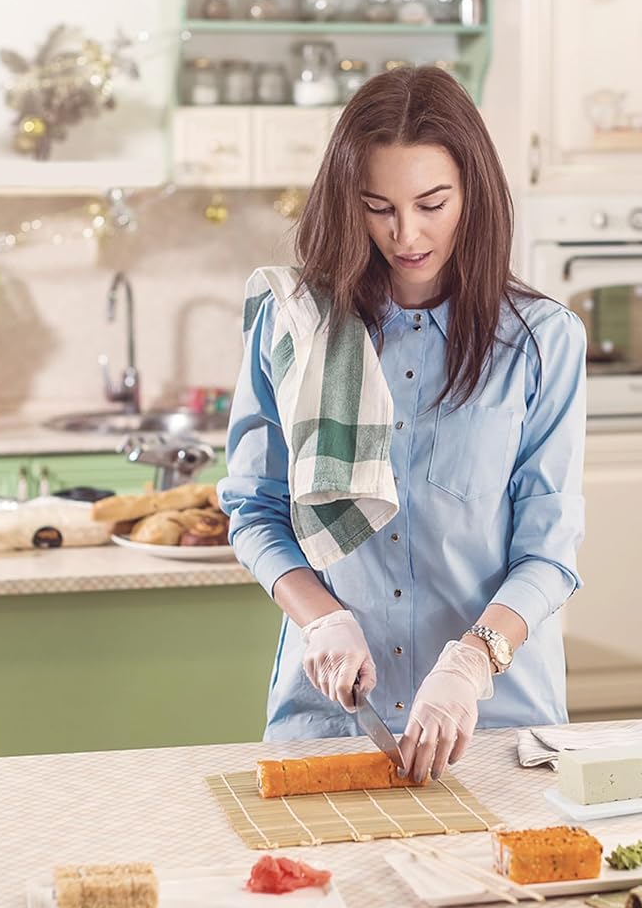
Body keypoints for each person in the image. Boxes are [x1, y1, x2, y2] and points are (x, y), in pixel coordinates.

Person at [219, 65, 586, 783]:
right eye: (377, 206)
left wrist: (474, 657)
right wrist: (320, 617)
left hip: (494, 721)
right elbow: (254, 511)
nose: (406, 233)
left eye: (432, 203)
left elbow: (552, 552)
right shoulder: (292, 326)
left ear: (472, 195)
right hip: (330, 718)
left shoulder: (543, 342)